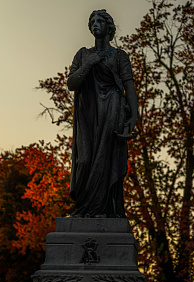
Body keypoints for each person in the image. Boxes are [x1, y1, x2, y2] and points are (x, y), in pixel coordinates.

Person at [67, 9, 137, 218]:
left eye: (99, 21)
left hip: (112, 110)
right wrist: (88, 64)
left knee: (107, 160)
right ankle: (84, 208)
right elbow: (71, 83)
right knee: (85, 160)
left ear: (109, 26)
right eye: (92, 21)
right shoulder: (82, 55)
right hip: (87, 112)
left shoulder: (119, 56)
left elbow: (129, 87)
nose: (95, 24)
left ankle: (103, 210)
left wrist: (133, 117)